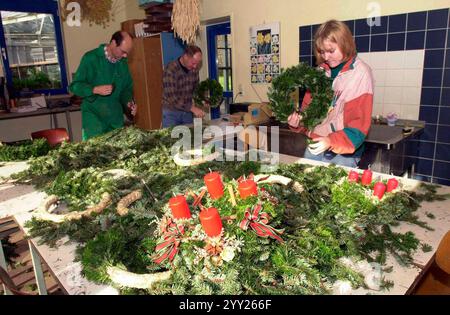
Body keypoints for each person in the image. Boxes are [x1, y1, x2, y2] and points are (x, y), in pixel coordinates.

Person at [288, 20, 374, 168]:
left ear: (345, 44)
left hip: (343, 154)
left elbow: (358, 126)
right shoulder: (319, 72)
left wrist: (331, 141)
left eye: (331, 51)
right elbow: (308, 115)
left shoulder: (360, 73)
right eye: (322, 52)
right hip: (315, 146)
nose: (326, 57)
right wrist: (297, 123)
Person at [70, 31, 137, 140]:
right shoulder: (91, 58)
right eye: (123, 51)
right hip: (94, 118)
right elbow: (75, 86)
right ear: (114, 43)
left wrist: (129, 102)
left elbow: (126, 90)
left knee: (117, 152)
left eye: (127, 53)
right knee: (95, 152)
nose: (125, 56)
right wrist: (94, 89)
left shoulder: (123, 64)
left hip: (115, 118)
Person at [162, 45, 206, 128]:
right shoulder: (171, 69)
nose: (195, 66)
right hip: (171, 113)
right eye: (193, 63)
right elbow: (173, 98)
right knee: (172, 140)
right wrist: (193, 108)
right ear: (185, 56)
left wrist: (203, 99)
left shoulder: (194, 69)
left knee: (188, 139)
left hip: (187, 113)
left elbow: (196, 89)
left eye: (197, 63)